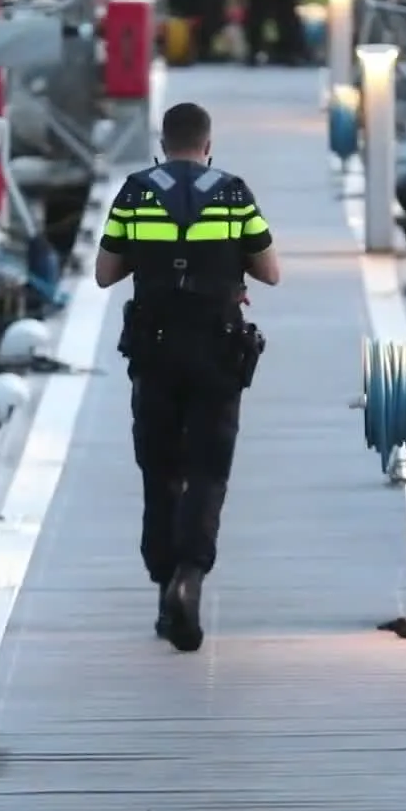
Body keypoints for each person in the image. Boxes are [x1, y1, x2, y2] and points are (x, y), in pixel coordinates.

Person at [95, 102, 281, 652]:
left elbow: (106, 274)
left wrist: (149, 257)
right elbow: (269, 271)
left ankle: (162, 587)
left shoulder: (133, 191)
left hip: (153, 352)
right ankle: (190, 578)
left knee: (160, 470)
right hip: (217, 352)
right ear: (207, 144)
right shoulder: (233, 191)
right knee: (207, 471)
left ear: (163, 141)